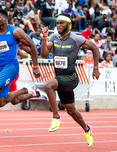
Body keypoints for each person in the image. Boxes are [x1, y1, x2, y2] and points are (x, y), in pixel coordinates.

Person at [0, 9, 41, 132]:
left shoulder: (15, 31)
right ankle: (25, 90)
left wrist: (35, 66)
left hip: (11, 66)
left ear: (5, 19)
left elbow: (32, 45)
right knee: (1, 101)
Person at [40, 12, 100, 147]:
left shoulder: (76, 39)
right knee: (71, 110)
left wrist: (96, 68)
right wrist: (44, 37)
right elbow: (44, 54)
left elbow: (95, 48)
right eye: (57, 23)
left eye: (61, 23)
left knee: (47, 86)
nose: (58, 25)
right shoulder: (53, 37)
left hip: (71, 77)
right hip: (60, 78)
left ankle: (55, 117)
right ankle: (87, 129)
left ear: (69, 24)